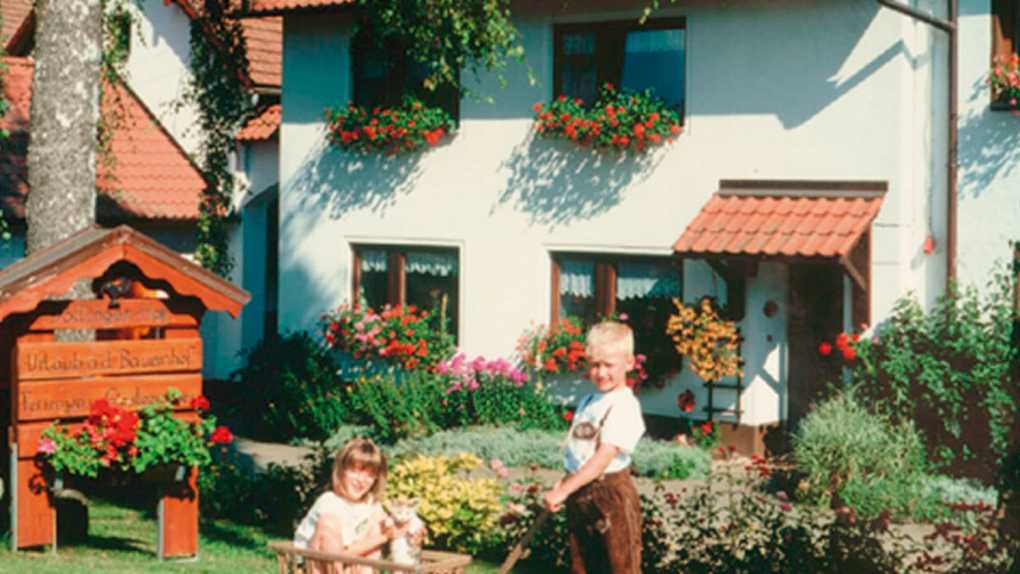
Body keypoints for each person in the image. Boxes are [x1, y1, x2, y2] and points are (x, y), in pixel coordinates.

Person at [543, 321, 646, 574]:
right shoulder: (588, 402)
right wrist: (564, 483)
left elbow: (602, 458)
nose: (600, 373)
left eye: (608, 365)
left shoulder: (624, 405)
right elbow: (581, 454)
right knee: (583, 565)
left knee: (619, 566)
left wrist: (564, 490)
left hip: (610, 496)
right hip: (581, 494)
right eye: (595, 365)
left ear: (629, 363)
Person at [294, 438, 408, 574]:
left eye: (370, 475)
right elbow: (339, 554)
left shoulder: (372, 505)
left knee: (378, 524)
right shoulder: (329, 502)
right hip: (314, 567)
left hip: (349, 567)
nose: (361, 481)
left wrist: (400, 530)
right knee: (327, 523)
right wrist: (383, 537)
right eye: (355, 471)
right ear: (341, 471)